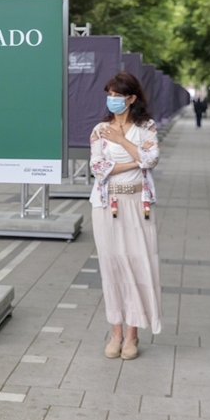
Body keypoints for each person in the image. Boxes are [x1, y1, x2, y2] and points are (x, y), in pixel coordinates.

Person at [89, 71, 162, 360]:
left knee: (137, 264)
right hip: (107, 204)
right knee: (112, 266)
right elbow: (98, 168)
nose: (112, 100)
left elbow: (151, 160)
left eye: (118, 96)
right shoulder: (99, 129)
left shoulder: (147, 127)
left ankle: (133, 335)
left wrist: (121, 140)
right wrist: (134, 160)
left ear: (131, 98)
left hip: (138, 204)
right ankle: (115, 333)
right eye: (109, 95)